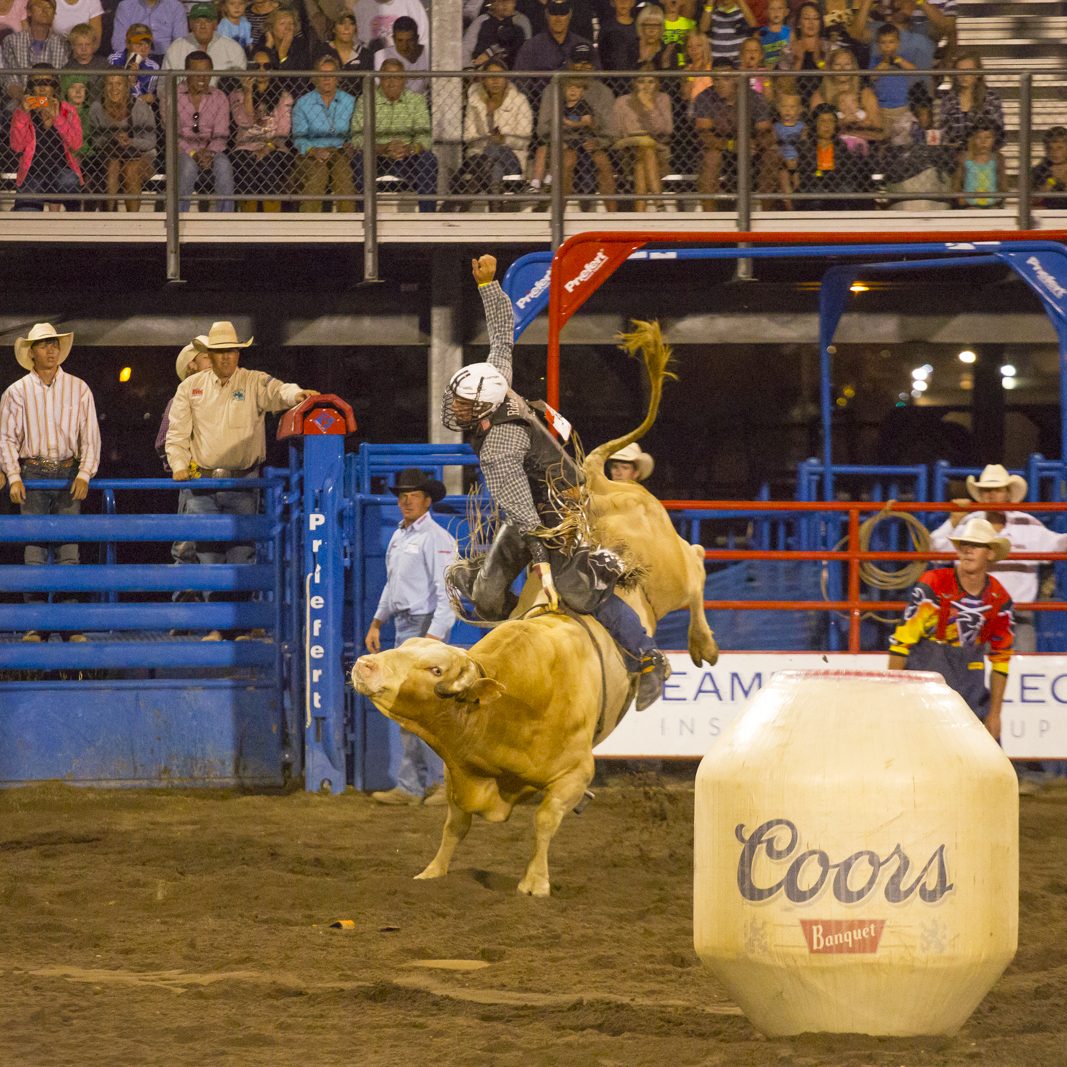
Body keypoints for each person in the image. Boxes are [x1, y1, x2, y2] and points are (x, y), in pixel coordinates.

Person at [443, 254, 671, 712]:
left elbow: (523, 512)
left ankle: (648, 660)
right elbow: (503, 337)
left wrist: (543, 557)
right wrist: (488, 287)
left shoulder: (500, 446)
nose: (457, 408)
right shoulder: (499, 383)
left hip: (557, 512)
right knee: (486, 594)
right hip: (536, 503)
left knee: (580, 590)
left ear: (482, 410)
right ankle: (521, 646)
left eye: (464, 404)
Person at [164, 320, 318, 640]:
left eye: (231, 351)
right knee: (209, 556)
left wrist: (297, 394)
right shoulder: (190, 388)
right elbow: (177, 433)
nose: (226, 358)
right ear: (211, 353)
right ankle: (224, 626)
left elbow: (278, 390)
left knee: (241, 553)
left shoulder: (253, 382)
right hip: (203, 482)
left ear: (238, 353)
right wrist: (179, 464)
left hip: (243, 481)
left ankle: (236, 625)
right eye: (220, 352)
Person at [0, 323, 100, 643]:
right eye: (44, 345)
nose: (51, 350)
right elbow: (6, 439)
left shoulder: (79, 387)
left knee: (69, 551)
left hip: (68, 473)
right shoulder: (16, 392)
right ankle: (36, 623)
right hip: (33, 474)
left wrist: (85, 472)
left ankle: (69, 624)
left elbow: (90, 435)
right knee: (35, 551)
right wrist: (14, 476)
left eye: (54, 344)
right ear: (32, 352)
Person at [365, 467, 457, 807]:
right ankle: (412, 785)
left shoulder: (436, 538)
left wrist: (432, 639)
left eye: (413, 495)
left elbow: (447, 593)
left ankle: (442, 784)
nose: (406, 500)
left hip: (423, 628)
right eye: (403, 495)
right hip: (406, 628)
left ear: (426, 500)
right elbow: (393, 584)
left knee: (428, 712)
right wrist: (377, 621)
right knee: (408, 710)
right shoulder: (400, 536)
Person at [889, 517, 1012, 742]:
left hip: (969, 687)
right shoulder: (933, 584)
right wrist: (893, 698)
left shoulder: (999, 598)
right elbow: (901, 643)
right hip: (924, 685)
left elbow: (1001, 658)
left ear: (990, 554)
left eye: (975, 545)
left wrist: (995, 714)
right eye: (964, 545)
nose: (967, 550)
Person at [929, 464, 1067, 655]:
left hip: (1017, 614)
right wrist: (952, 521)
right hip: (974, 613)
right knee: (975, 670)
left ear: (1008, 494)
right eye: (985, 490)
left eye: (997, 489)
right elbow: (935, 548)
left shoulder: (1026, 524)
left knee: (1021, 664)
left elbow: (1058, 544)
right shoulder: (967, 522)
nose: (991, 494)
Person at [350, 58, 437, 212]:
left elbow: (425, 137)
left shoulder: (416, 100)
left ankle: (427, 217)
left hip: (407, 157)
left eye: (396, 77)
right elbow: (357, 138)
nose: (391, 82)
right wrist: (383, 148)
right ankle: (363, 215)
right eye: (386, 77)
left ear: (404, 80)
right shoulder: (366, 99)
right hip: (376, 157)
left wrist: (409, 149)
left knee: (428, 160)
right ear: (379, 79)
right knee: (359, 159)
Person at [155, 337, 212, 570]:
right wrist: (184, 467)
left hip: (222, 480)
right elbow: (163, 442)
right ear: (192, 365)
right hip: (196, 481)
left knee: (213, 548)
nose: (215, 361)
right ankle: (186, 600)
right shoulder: (180, 399)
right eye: (208, 357)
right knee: (188, 548)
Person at [693, 58, 778, 210]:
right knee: (711, 158)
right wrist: (731, 145)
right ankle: (708, 219)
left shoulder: (754, 97)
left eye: (726, 78)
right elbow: (704, 135)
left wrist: (755, 144)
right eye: (716, 79)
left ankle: (767, 215)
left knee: (771, 155)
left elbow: (765, 131)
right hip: (721, 148)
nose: (720, 84)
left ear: (735, 78)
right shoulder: (704, 97)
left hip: (752, 147)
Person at [455, 58, 532, 209]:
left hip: (512, 159)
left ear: (506, 78)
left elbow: (525, 140)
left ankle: (472, 188)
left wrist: (503, 139)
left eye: (499, 76)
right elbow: (468, 137)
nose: (495, 80)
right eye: (491, 76)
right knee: (495, 165)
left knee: (496, 149)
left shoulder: (519, 100)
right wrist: (488, 140)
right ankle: (496, 205)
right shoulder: (475, 102)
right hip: (481, 157)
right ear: (483, 80)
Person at [10, 67, 83, 211]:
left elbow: (76, 144)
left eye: (47, 82)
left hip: (61, 170)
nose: (43, 88)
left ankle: (73, 215)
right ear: (31, 87)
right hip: (33, 172)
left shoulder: (67, 110)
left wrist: (57, 118)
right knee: (25, 214)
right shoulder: (23, 111)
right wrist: (24, 114)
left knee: (69, 180)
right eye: (38, 83)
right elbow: (17, 146)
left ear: (55, 86)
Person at [230, 48, 293, 211]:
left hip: (275, 146)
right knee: (248, 166)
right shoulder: (237, 94)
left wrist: (267, 148)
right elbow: (245, 122)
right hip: (245, 146)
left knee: (266, 164)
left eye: (267, 66)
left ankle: (271, 217)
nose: (262, 71)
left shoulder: (284, 96)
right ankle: (249, 218)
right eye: (257, 66)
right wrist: (248, 93)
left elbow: (283, 131)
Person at [292, 53, 355, 212]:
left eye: (331, 74)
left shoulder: (349, 101)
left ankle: (348, 227)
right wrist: (313, 151)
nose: (327, 79)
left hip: (340, 151)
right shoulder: (303, 103)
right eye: (322, 75)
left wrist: (351, 144)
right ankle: (309, 226)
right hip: (311, 152)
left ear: (338, 77)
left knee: (344, 176)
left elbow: (356, 131)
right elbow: (299, 137)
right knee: (318, 174)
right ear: (315, 78)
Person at [89, 71, 156, 212]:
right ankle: (110, 216)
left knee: (130, 169)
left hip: (141, 155)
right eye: (110, 84)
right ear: (104, 86)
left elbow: (150, 142)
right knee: (112, 165)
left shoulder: (140, 107)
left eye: (119, 84)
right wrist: (112, 139)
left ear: (127, 86)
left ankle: (132, 220)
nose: (114, 89)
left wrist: (131, 141)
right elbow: (95, 141)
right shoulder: (97, 108)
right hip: (111, 155)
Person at [176, 52, 234, 212]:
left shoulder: (219, 97)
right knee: (187, 167)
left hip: (211, 152)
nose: (202, 77)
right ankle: (179, 220)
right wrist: (194, 153)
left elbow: (221, 135)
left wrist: (209, 153)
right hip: (182, 151)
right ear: (187, 72)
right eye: (197, 72)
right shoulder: (173, 95)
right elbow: (172, 135)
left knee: (224, 165)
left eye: (207, 72)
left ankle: (225, 222)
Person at [612, 70, 671, 212]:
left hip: (658, 148)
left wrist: (650, 108)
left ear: (657, 83)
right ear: (634, 83)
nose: (646, 86)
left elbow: (667, 129)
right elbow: (616, 132)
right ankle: (659, 202)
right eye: (641, 81)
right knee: (644, 150)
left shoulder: (663, 99)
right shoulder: (622, 101)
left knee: (643, 156)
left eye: (650, 82)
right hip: (627, 150)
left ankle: (640, 213)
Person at [161, 2, 248, 94]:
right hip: (182, 105)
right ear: (190, 24)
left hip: (223, 105)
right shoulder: (176, 48)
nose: (203, 26)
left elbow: (240, 88)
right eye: (198, 21)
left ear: (215, 24)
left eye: (208, 21)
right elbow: (163, 86)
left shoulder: (234, 49)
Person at [2, 0, 71, 106]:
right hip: (21, 103)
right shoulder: (11, 41)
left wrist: (46, 103)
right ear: (29, 12)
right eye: (39, 6)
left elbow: (62, 82)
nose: (44, 10)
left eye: (49, 7)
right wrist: (29, 101)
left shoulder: (64, 44)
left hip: (54, 104)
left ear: (54, 14)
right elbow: (11, 81)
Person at [937, 49, 1004, 154]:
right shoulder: (949, 100)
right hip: (955, 155)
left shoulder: (991, 98)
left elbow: (998, 133)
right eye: (960, 71)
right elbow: (943, 132)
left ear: (978, 73)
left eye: (968, 70)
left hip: (983, 155)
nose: (964, 76)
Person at [463, 0, 531, 71]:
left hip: (509, 72)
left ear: (514, 3)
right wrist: (469, 69)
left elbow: (522, 50)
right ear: (493, 4)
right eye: (501, 1)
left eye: (509, 1)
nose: (505, 5)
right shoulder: (482, 21)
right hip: (480, 71)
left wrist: (490, 53)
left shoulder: (521, 22)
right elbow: (467, 47)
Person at [953, 118, 1003, 208]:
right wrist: (960, 198)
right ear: (974, 139)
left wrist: (1000, 198)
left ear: (994, 139)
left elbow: (1003, 184)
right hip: (970, 205)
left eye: (988, 138)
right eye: (979, 137)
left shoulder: (998, 159)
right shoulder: (966, 158)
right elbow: (957, 182)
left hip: (992, 204)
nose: (983, 142)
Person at [107, 23, 161, 103]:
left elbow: (148, 99)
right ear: (127, 44)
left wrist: (133, 83)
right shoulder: (114, 60)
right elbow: (108, 91)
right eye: (139, 44)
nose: (144, 49)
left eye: (147, 44)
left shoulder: (153, 68)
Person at [110, 0, 188, 56]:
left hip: (166, 58)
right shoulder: (126, 6)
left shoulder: (176, 6)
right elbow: (119, 42)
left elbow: (180, 42)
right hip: (134, 56)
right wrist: (131, 58)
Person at [373, 14, 427, 95]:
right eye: (400, 41)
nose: (405, 46)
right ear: (393, 38)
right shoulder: (381, 55)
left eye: (409, 40)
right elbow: (382, 87)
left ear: (417, 38)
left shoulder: (427, 54)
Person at [352, 0, 428, 54]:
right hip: (371, 66)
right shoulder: (361, 6)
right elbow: (354, 42)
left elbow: (424, 39)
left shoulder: (411, 3)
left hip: (404, 66)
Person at [700, 0, 759, 64]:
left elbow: (753, 25)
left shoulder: (742, 11)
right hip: (717, 64)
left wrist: (740, 2)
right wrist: (710, 2)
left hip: (738, 64)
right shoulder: (711, 11)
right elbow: (703, 28)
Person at [63, 22, 109, 101]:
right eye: (80, 45)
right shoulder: (68, 67)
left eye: (87, 44)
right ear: (73, 46)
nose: (84, 49)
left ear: (94, 44)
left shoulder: (104, 64)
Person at [1031, 126, 1067, 209]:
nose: (1054, 152)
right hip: (1048, 211)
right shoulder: (1040, 169)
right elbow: (1033, 199)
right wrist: (1052, 180)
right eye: (1049, 148)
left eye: (1060, 148)